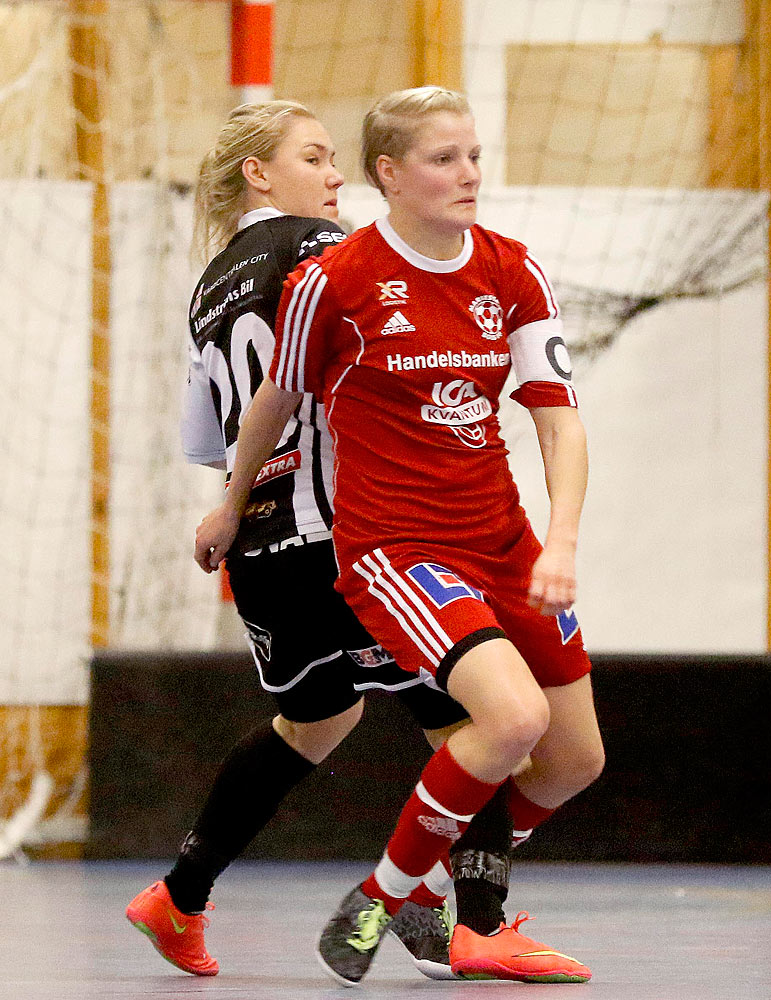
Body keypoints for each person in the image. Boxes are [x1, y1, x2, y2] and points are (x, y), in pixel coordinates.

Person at [195, 85, 605, 985]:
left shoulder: (511, 268)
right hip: (397, 548)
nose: (468, 176)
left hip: (503, 540)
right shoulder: (332, 278)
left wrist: (563, 540)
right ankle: (383, 898)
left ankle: (431, 881)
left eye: (473, 156)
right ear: (390, 174)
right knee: (511, 718)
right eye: (443, 159)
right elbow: (275, 399)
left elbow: (558, 420)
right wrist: (231, 501)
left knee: (575, 758)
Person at [124, 100, 513, 983]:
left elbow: (203, 439)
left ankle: (179, 898)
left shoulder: (208, 284)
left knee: (317, 718)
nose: (337, 176)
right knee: (483, 710)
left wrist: (232, 503)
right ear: (260, 174)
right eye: (318, 157)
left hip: (260, 541)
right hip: (350, 535)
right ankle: (474, 924)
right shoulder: (324, 251)